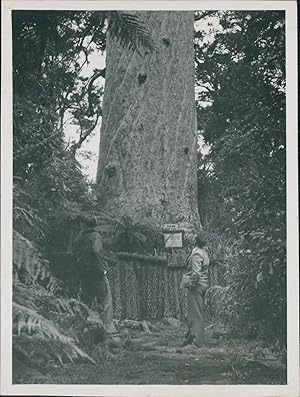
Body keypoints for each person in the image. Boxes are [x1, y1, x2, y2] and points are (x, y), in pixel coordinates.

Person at [73, 215, 114, 331]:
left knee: (84, 302)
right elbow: (97, 251)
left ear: (84, 225)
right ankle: (108, 330)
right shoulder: (95, 236)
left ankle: (78, 329)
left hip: (84, 274)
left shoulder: (79, 238)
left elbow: (74, 254)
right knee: (105, 301)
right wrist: (103, 268)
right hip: (97, 273)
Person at [181, 235, 209, 347]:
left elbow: (196, 273)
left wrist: (191, 285)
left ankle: (197, 340)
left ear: (195, 242)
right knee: (196, 312)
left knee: (195, 313)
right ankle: (191, 337)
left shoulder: (197, 254)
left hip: (197, 286)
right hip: (203, 284)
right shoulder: (204, 252)